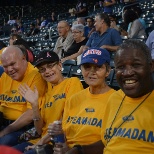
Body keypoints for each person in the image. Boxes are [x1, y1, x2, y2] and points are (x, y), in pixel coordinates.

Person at [52, 39, 154, 154]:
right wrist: (79, 150)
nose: (127, 72)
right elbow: (107, 141)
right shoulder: (115, 99)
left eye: (136, 65)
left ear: (151, 66)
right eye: (121, 67)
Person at [13, 51, 83, 153]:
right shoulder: (46, 91)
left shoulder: (72, 82)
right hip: (41, 141)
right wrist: (34, 105)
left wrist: (40, 143)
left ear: (59, 65)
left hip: (58, 143)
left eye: (50, 66)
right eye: (42, 69)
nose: (47, 71)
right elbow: (39, 130)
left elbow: (65, 120)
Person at [48, 47, 115, 153]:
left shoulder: (116, 100)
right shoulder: (74, 99)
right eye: (87, 67)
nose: (92, 72)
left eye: (98, 67)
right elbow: (66, 132)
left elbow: (112, 142)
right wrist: (60, 137)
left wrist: (75, 150)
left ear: (107, 71)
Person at [0, 46, 47, 146]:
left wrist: (5, 131)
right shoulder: (5, 76)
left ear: (24, 58)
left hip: (23, 128)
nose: (9, 69)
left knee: (3, 144)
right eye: (5, 66)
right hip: (3, 122)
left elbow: (31, 114)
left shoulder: (36, 75)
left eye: (12, 64)